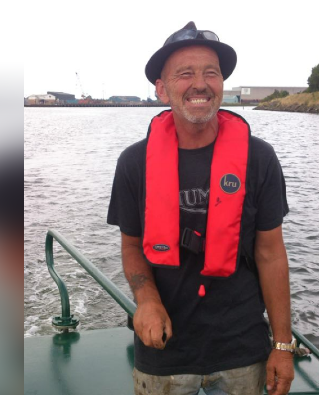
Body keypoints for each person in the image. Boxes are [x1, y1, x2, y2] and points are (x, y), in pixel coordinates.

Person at [107, 22, 296, 395]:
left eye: (211, 72)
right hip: (164, 352)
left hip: (242, 349)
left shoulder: (259, 158)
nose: (200, 83)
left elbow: (271, 253)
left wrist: (283, 345)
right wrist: (146, 300)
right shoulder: (134, 163)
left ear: (221, 85)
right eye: (185, 74)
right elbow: (131, 247)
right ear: (162, 89)